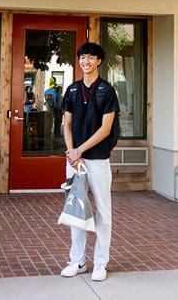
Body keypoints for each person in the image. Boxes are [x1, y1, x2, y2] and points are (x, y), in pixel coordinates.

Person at [60, 42, 120, 282]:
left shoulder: (107, 91)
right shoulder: (72, 90)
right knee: (77, 211)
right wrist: (70, 151)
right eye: (82, 57)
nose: (85, 61)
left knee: (103, 211)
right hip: (75, 161)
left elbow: (106, 129)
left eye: (90, 58)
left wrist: (79, 150)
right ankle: (78, 260)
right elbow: (66, 123)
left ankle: (101, 263)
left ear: (99, 61)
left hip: (97, 160)